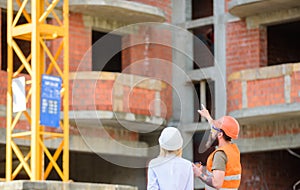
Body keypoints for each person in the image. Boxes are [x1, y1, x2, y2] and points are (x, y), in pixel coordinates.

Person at [193, 105, 242, 190]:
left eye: (213, 130)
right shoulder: (232, 150)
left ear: (220, 134)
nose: (211, 132)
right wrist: (208, 116)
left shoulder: (220, 154)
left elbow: (217, 183)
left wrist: (199, 174)